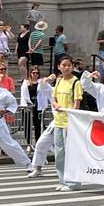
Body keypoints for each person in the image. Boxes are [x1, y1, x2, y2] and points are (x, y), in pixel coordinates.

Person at [42, 57, 83, 190]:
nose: (66, 67)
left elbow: (77, 104)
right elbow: (53, 99)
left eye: (69, 65)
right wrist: (56, 105)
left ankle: (73, 182)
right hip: (58, 121)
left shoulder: (75, 82)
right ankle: (63, 180)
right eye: (63, 65)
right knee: (59, 153)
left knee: (70, 153)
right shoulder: (59, 81)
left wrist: (71, 122)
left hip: (69, 122)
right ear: (59, 67)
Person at [19, 67, 52, 148]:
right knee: (27, 126)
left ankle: (38, 143)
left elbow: (49, 89)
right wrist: (24, 106)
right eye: (33, 73)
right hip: (28, 107)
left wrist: (48, 79)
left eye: (37, 73)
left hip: (38, 107)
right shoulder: (26, 83)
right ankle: (28, 143)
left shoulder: (41, 82)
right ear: (30, 73)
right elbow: (23, 96)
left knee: (38, 126)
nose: (35, 75)